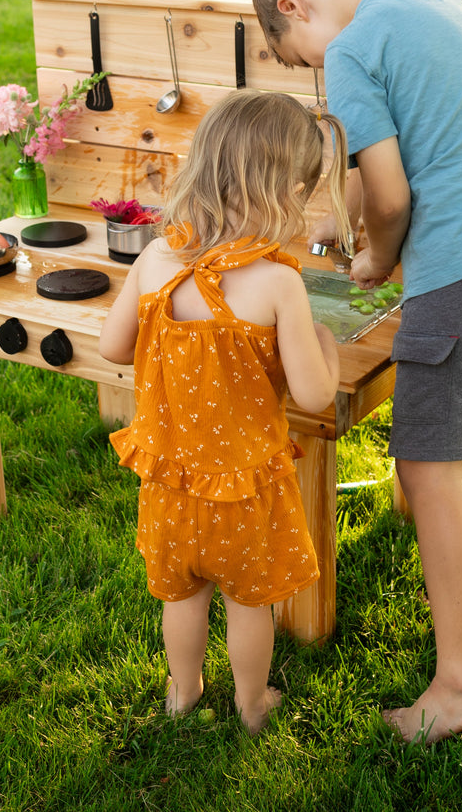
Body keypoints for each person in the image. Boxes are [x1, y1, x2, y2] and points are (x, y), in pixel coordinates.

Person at [250, 0, 462, 745]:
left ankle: (460, 682)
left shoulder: (354, 48)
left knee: (425, 469)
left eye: (301, 57)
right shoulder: (443, 5)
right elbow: (428, 155)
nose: (319, 71)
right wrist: (348, 227)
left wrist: (375, 258)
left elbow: (387, 195)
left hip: (460, 271)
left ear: (296, 6)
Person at [99, 89, 349, 735]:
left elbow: (111, 346)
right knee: (246, 604)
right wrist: (328, 349)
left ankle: (182, 692)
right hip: (244, 491)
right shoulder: (277, 283)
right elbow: (316, 394)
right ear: (280, 192)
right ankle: (250, 703)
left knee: (181, 597)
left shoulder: (155, 259)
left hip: (172, 484)